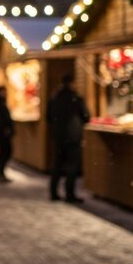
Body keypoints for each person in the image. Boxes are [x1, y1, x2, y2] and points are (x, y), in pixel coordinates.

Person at [47, 73, 90, 203]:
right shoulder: (75, 98)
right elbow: (86, 116)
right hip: (72, 137)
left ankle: (54, 192)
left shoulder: (54, 98)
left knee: (57, 164)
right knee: (72, 165)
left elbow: (48, 117)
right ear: (71, 83)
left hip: (58, 136)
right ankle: (69, 194)